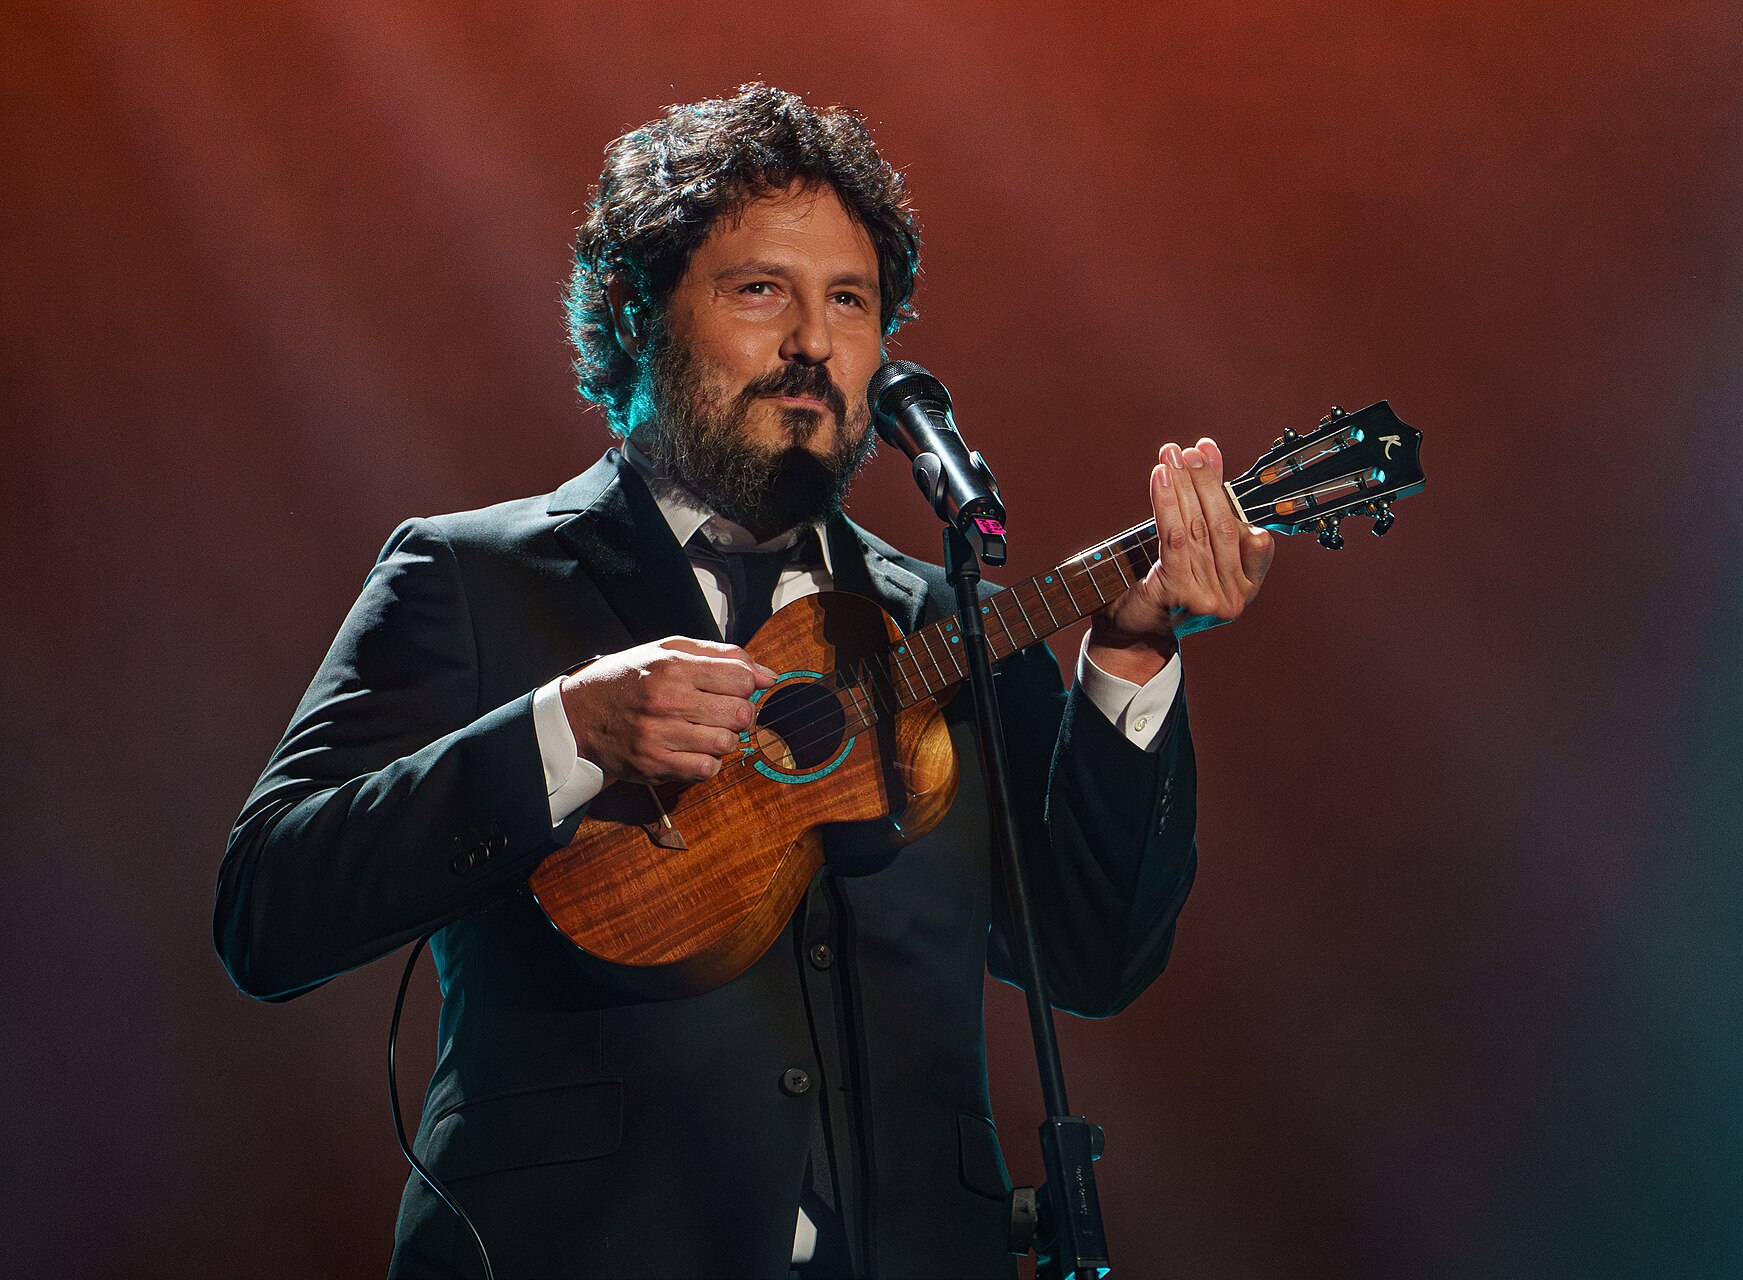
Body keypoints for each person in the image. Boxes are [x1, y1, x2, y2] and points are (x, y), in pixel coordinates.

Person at [215, 84, 1273, 1279]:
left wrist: (1131, 654)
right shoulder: (468, 577)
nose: (815, 342)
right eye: (762, 289)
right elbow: (267, 912)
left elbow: (1093, 961)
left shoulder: (947, 620)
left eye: (852, 301)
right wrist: (564, 732)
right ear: (635, 312)